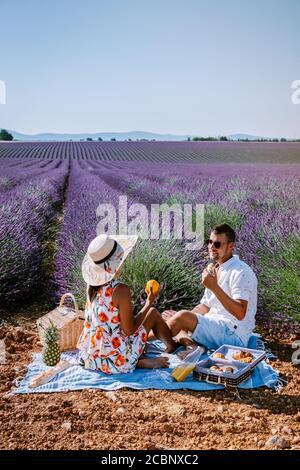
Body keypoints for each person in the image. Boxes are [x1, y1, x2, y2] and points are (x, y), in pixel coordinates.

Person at [78, 233, 176, 374]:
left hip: (92, 358)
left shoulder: (91, 286)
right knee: (152, 313)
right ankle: (170, 348)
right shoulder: (120, 290)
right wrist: (148, 302)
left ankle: (140, 357)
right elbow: (129, 330)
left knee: (137, 319)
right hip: (117, 360)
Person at [164, 223, 258, 354]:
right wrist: (185, 317)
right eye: (210, 242)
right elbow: (205, 306)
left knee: (180, 318)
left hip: (233, 333)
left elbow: (240, 313)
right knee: (170, 317)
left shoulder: (241, 271)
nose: (211, 247)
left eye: (217, 244)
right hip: (214, 324)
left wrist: (214, 287)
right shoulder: (215, 269)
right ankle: (191, 346)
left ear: (231, 246)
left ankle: (138, 342)